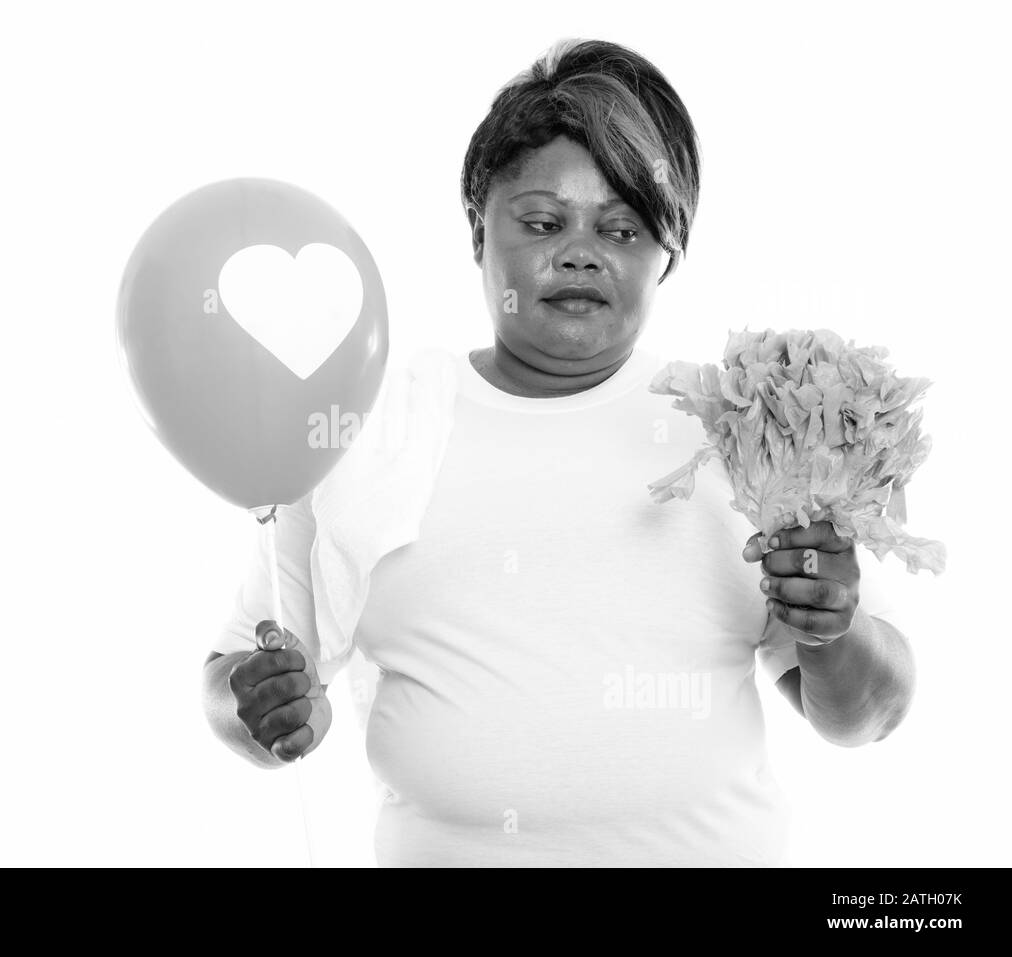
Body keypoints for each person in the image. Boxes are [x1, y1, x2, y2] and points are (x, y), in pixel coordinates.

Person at [201, 37, 916, 866]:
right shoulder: (366, 427)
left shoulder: (744, 427)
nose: (580, 252)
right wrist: (254, 709)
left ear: (668, 254)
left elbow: (869, 716)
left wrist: (837, 626)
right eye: (543, 221)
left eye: (621, 228)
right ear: (478, 232)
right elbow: (235, 679)